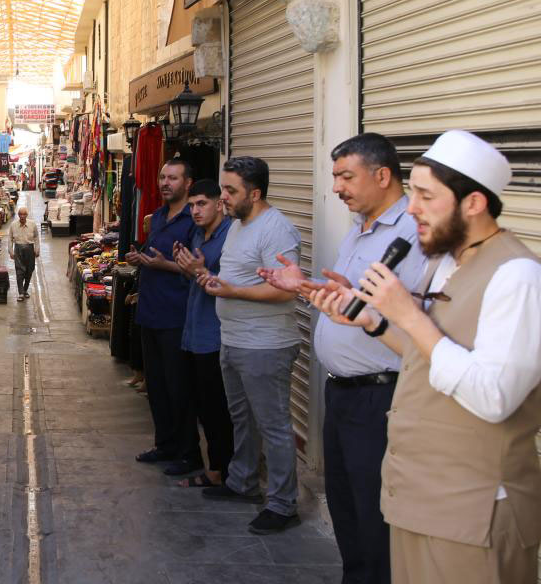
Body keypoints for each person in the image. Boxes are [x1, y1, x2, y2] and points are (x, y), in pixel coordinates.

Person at [309, 130, 541, 584]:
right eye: (412, 193)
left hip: (473, 510)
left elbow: (494, 397)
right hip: (416, 492)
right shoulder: (445, 264)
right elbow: (424, 357)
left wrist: (408, 316)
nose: (411, 207)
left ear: (473, 203)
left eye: (425, 196)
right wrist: (372, 322)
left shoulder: (518, 276)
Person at [260, 132, 425, 583]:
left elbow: (414, 316)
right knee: (347, 507)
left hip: (382, 396)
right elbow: (349, 301)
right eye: (335, 177)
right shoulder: (360, 228)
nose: (336, 187)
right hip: (342, 394)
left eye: (346, 176)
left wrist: (362, 308)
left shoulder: (413, 234)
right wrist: (305, 287)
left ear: (383, 175)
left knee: (375, 515)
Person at [194, 156, 303, 535]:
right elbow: (235, 277)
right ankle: (242, 482)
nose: (222, 197)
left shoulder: (277, 230)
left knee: (273, 425)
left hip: (266, 345)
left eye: (230, 190)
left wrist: (232, 291)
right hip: (235, 338)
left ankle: (283, 504)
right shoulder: (239, 226)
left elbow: (286, 291)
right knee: (242, 417)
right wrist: (208, 277)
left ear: (254, 194)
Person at [127, 159, 199, 478]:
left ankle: (188, 452)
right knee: (156, 386)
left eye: (173, 178)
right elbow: (153, 257)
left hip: (176, 315)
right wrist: (140, 259)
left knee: (178, 386)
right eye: (162, 177)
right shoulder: (157, 217)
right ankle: (165, 444)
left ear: (188, 183)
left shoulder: (193, 221)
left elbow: (196, 270)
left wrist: (163, 265)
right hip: (150, 311)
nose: (165, 183)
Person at [170, 179, 234, 489]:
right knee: (203, 406)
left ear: (219, 204)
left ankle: (221, 472)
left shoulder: (230, 237)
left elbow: (232, 284)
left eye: (202, 204)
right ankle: (215, 468)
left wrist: (198, 271)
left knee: (217, 408)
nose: (195, 211)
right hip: (194, 331)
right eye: (192, 205)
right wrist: (185, 269)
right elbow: (194, 282)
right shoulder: (197, 235)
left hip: (216, 335)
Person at [7, 205, 39, 300]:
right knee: (19, 271)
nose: (22, 216)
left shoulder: (32, 224)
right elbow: (10, 239)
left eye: (24, 214)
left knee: (29, 270)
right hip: (18, 249)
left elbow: (36, 237)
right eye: (20, 214)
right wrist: (11, 251)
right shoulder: (13, 225)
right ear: (18, 215)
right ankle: (21, 293)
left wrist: (37, 249)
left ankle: (25, 290)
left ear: (27, 215)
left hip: (30, 249)